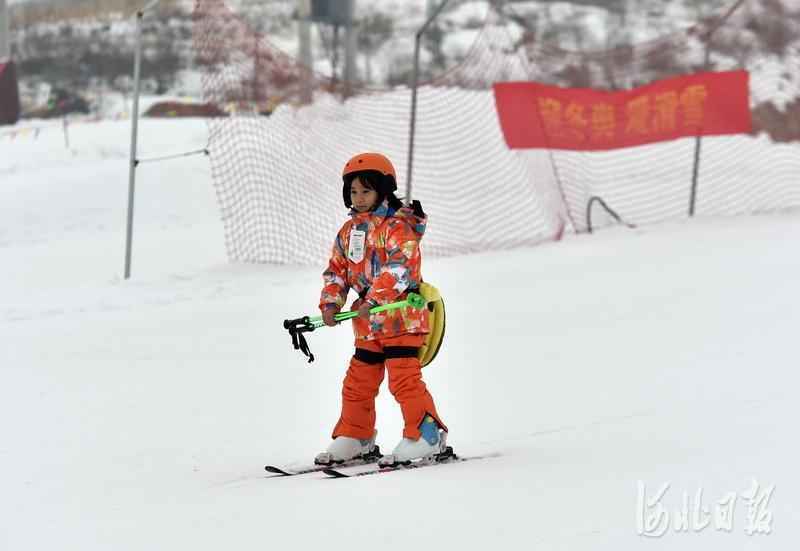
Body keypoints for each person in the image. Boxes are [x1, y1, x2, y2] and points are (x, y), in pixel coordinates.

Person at [314, 152, 448, 467]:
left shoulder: (399, 227)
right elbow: (337, 270)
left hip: (401, 317)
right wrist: (331, 302)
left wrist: (375, 299)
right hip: (368, 324)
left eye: (366, 191)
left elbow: (400, 266)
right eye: (353, 191)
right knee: (358, 380)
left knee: (403, 379)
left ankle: (427, 435)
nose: (358, 198)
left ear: (384, 190)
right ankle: (356, 435)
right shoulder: (349, 232)